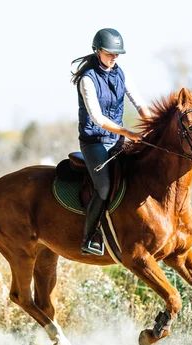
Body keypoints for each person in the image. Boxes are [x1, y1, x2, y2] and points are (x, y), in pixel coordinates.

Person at [71, 28, 151, 256]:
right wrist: (128, 132)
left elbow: (139, 102)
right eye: (110, 53)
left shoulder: (121, 74)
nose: (114, 57)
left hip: (117, 139)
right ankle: (89, 237)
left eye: (117, 53)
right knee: (104, 188)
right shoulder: (87, 79)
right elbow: (97, 118)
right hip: (94, 141)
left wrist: (155, 124)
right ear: (97, 51)